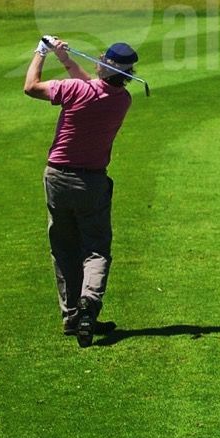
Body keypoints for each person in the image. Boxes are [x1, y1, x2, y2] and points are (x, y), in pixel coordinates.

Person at [23, 37, 137, 346]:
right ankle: (89, 305)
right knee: (96, 249)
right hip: (92, 183)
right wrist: (67, 61)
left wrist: (41, 52)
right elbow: (93, 88)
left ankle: (73, 316)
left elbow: (31, 87)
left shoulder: (76, 91)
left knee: (64, 249)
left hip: (58, 179)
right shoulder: (122, 100)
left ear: (104, 67)